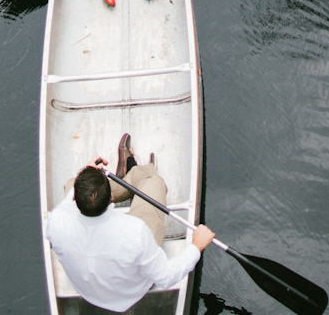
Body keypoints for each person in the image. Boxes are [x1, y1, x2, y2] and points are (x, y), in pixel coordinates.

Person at [45, 134, 215, 313]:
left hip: (88, 293)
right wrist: (197, 245)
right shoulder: (135, 231)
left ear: (75, 201)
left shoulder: (56, 222)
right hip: (133, 292)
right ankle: (133, 174)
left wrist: (87, 174)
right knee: (151, 180)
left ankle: (125, 177)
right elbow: (166, 277)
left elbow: (72, 193)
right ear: (110, 198)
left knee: (71, 183)